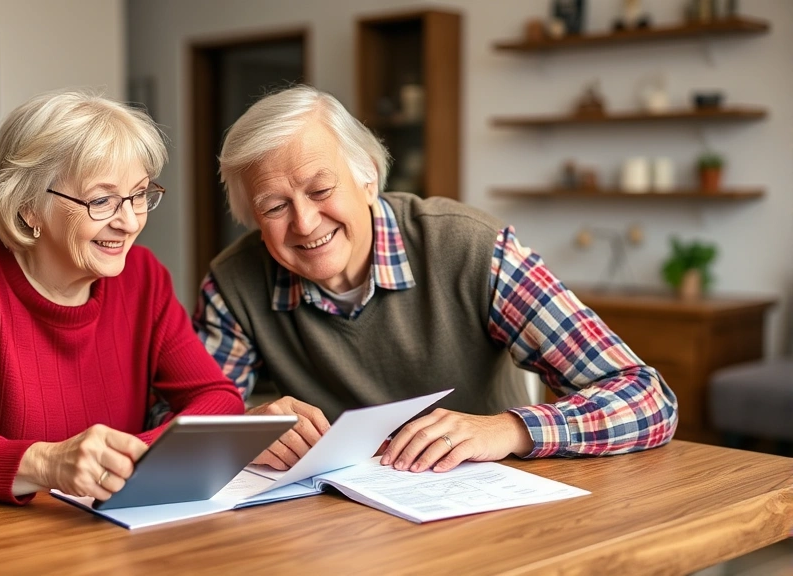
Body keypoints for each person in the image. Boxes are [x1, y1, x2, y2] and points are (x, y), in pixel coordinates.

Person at [193, 85, 678, 473]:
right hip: (334, 523)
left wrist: (508, 430)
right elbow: (179, 423)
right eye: (275, 207)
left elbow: (647, 399)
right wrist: (243, 430)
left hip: (487, 512)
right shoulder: (233, 283)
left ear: (368, 178)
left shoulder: (472, 248)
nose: (303, 223)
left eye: (320, 190)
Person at [0, 89, 245, 504]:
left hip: (111, 524)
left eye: (139, 194)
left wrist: (130, 458)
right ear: (28, 206)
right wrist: (44, 464)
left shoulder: (144, 276)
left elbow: (218, 399)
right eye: (102, 200)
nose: (129, 221)